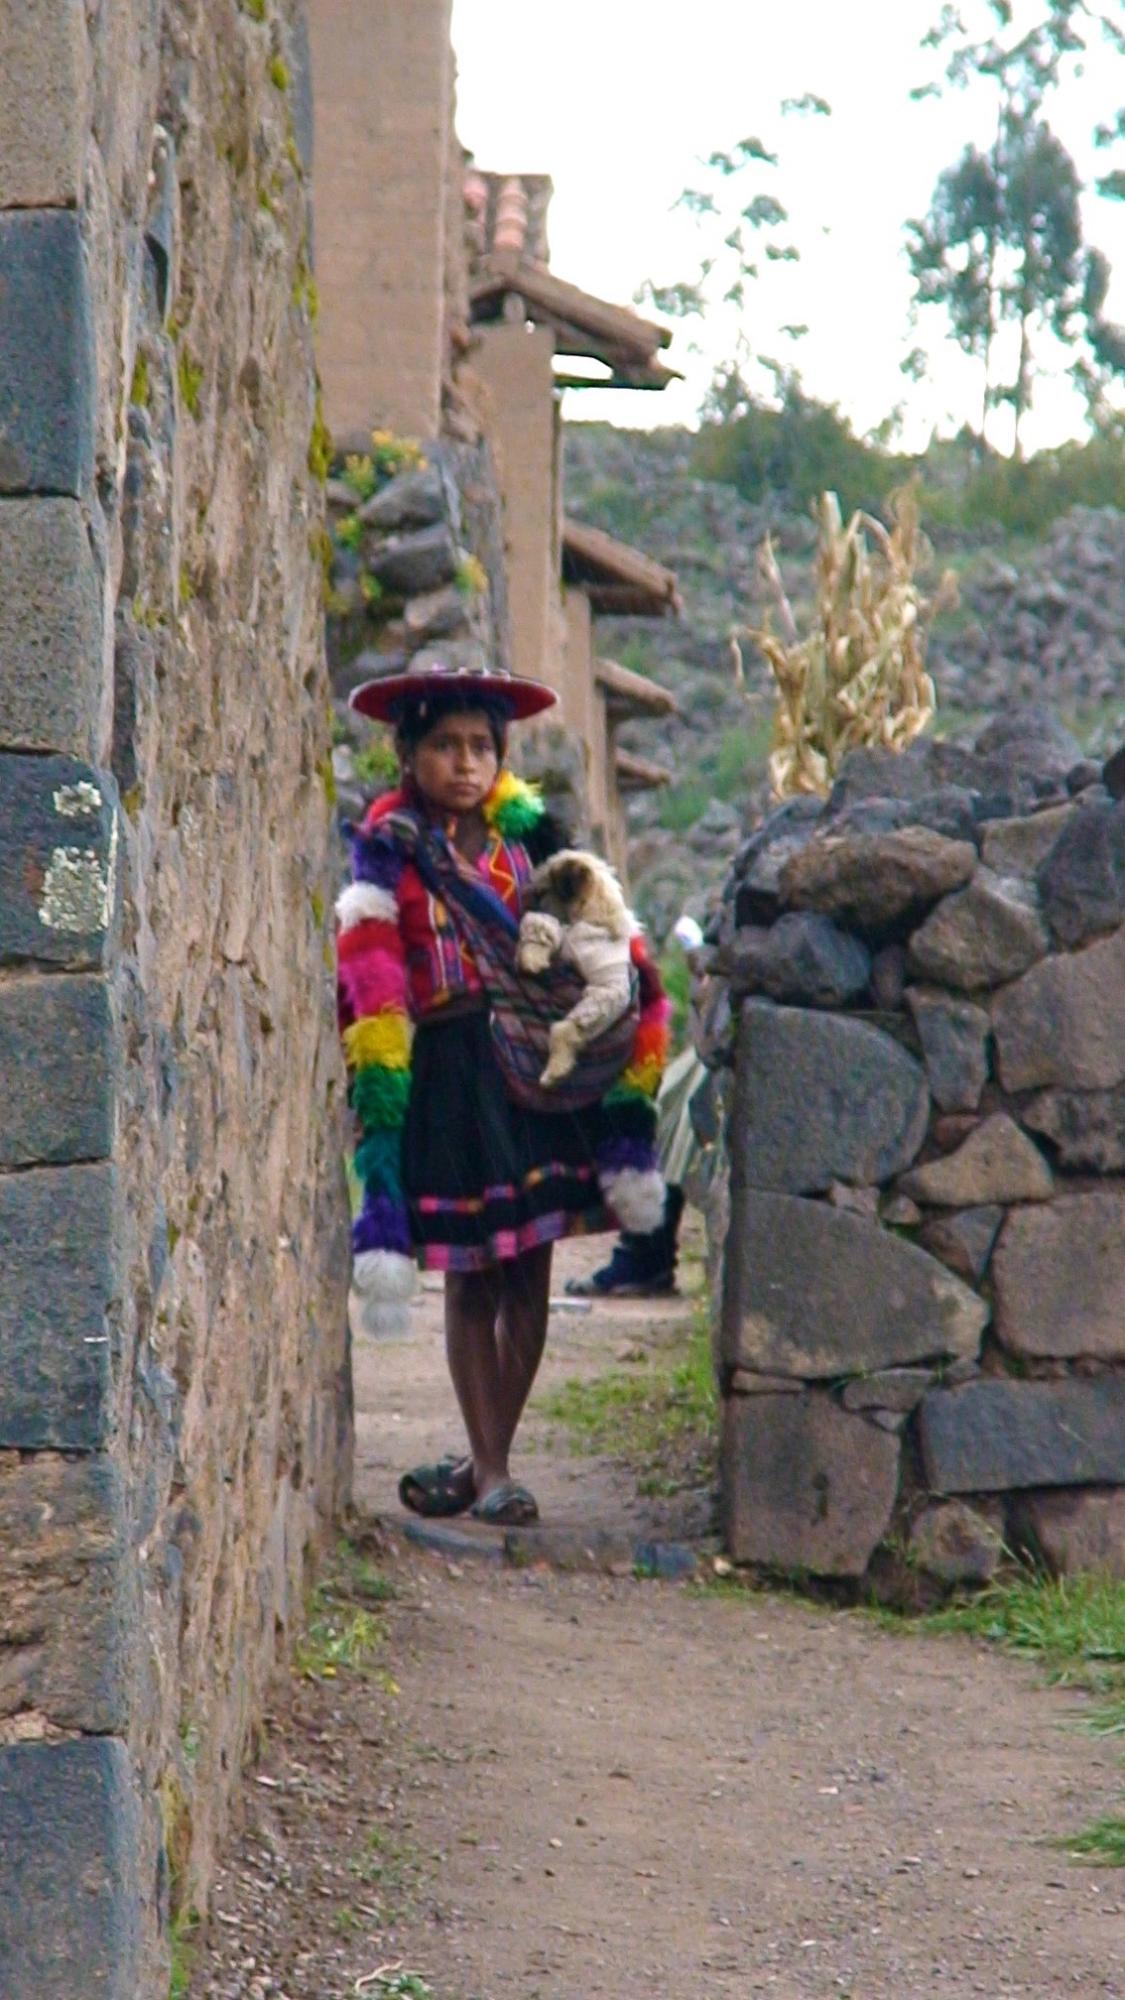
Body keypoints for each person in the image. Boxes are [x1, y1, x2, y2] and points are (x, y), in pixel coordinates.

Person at [335, 657, 669, 1526]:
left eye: (481, 746)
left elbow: (601, 934)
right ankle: (488, 1470)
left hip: (536, 1074)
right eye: (445, 745)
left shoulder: (533, 845)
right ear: (408, 753)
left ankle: (491, 1461)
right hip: (449, 1076)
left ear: (501, 754)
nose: (465, 763)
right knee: (472, 1278)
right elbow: (370, 972)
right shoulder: (389, 853)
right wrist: (380, 1071)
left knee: (528, 1270)